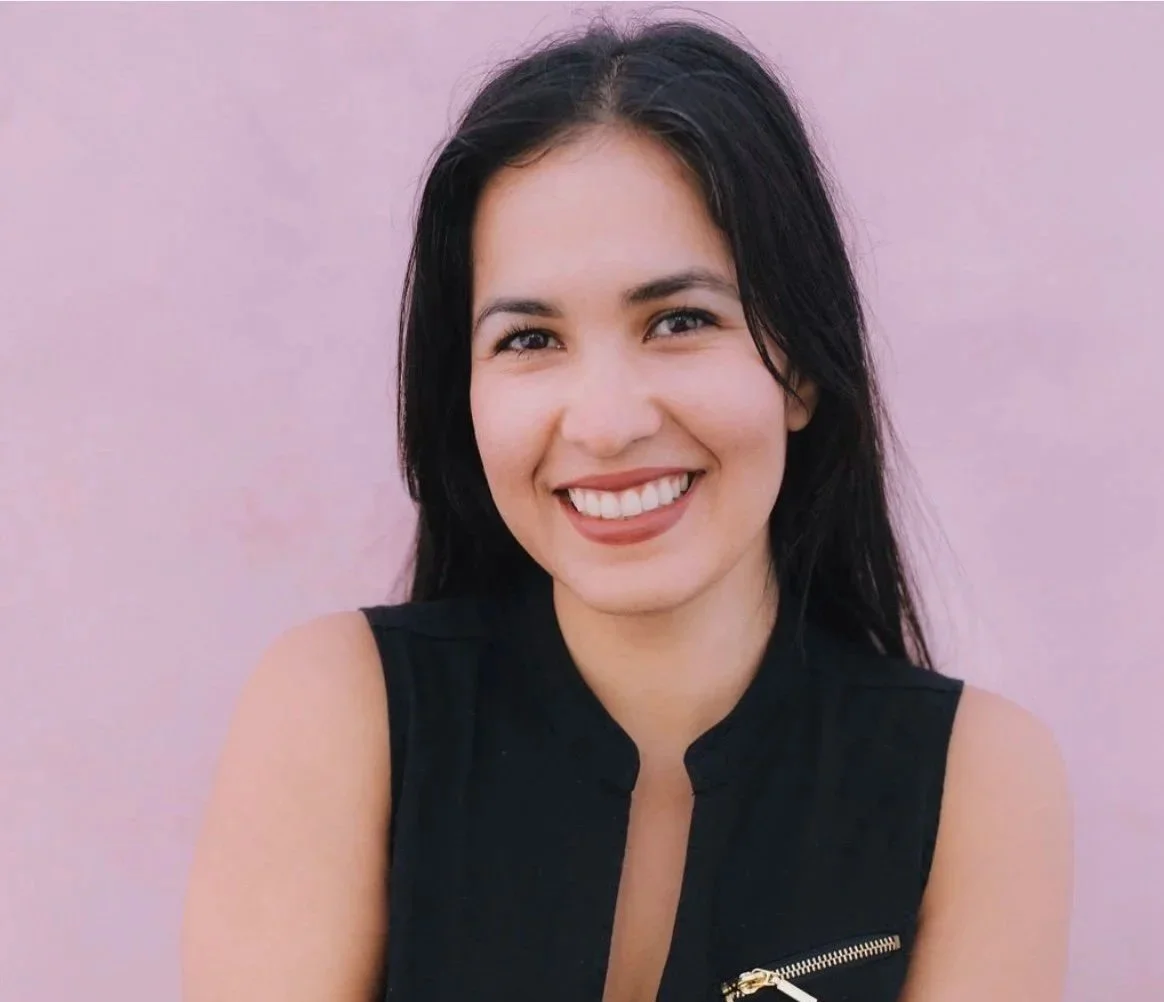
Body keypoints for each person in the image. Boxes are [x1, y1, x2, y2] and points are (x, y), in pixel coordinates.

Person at [181, 16, 1073, 1002]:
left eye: (680, 321)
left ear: (801, 371)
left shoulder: (975, 783)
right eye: (528, 340)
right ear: (463, 392)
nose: (605, 425)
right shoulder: (340, 709)